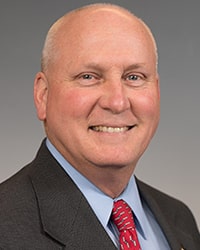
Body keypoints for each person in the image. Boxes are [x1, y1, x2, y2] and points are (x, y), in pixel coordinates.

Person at [0, 3, 199, 250]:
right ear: (43, 95)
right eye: (89, 77)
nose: (116, 102)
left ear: (157, 92)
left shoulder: (179, 219)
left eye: (134, 77)